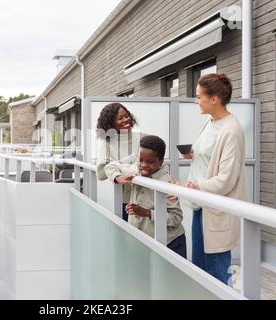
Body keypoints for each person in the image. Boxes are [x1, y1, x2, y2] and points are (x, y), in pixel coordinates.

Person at [178, 73, 249, 285]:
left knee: (217, 269)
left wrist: (196, 186)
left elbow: (226, 179)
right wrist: (193, 154)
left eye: (199, 97)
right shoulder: (211, 122)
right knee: (200, 268)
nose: (196, 101)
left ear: (214, 99)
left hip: (215, 208)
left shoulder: (231, 130)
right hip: (201, 205)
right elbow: (211, 156)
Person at [105, 135, 186, 258]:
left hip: (170, 244)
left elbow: (176, 218)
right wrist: (118, 178)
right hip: (142, 243)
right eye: (141, 160)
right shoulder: (135, 170)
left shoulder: (168, 184)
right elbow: (109, 166)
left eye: (150, 162)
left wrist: (148, 213)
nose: (143, 165)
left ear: (161, 161)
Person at [96, 102, 144, 221]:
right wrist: (119, 173)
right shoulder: (107, 142)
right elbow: (101, 173)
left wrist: (118, 166)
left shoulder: (143, 138)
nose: (126, 120)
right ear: (110, 122)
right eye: (120, 118)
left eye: (127, 116)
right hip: (125, 200)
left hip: (146, 198)